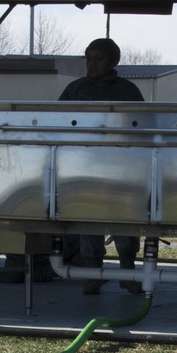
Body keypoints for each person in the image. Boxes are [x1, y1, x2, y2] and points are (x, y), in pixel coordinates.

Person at [58, 38, 143, 296]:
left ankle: (128, 274)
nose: (92, 64)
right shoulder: (75, 89)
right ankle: (93, 274)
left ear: (112, 61)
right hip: (84, 167)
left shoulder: (127, 91)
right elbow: (59, 122)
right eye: (89, 58)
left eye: (99, 58)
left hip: (120, 170)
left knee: (125, 223)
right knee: (88, 222)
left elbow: (140, 125)